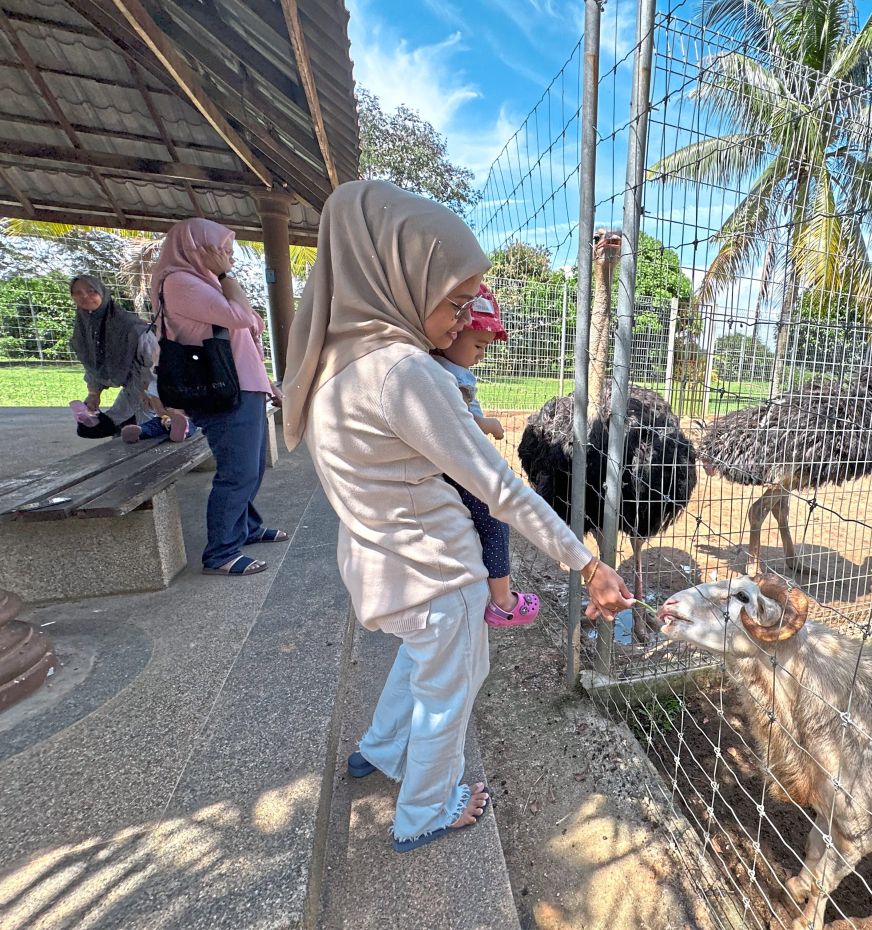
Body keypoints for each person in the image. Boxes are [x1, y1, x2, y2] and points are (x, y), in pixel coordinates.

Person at [282, 180, 633, 852]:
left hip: (384, 565)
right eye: (456, 300)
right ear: (399, 276)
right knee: (451, 690)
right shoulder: (404, 372)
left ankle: (380, 750)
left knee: (421, 665)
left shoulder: (336, 360)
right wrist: (585, 562)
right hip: (437, 571)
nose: (463, 317)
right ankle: (426, 809)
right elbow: (498, 488)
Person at [149, 219, 286, 576]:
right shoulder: (181, 283)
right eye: (222, 250)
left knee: (252, 467)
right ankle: (221, 552)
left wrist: (268, 383)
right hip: (222, 391)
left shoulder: (204, 282)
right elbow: (241, 317)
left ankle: (246, 528)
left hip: (245, 385)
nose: (230, 258)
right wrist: (225, 276)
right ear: (196, 248)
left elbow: (248, 333)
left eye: (229, 251)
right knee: (237, 471)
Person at [432, 283, 540, 628]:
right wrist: (487, 423)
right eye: (478, 345)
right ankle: (503, 600)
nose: (481, 354)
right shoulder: (440, 375)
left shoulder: (443, 369)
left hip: (456, 465)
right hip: (456, 469)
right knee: (495, 519)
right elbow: (457, 422)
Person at [67, 275, 157, 439]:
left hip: (150, 381)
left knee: (149, 426)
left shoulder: (129, 326)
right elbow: (93, 362)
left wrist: (148, 390)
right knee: (94, 428)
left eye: (91, 291)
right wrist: (94, 394)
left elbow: (150, 360)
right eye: (77, 293)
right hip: (131, 386)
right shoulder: (84, 326)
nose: (84, 296)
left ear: (102, 293)